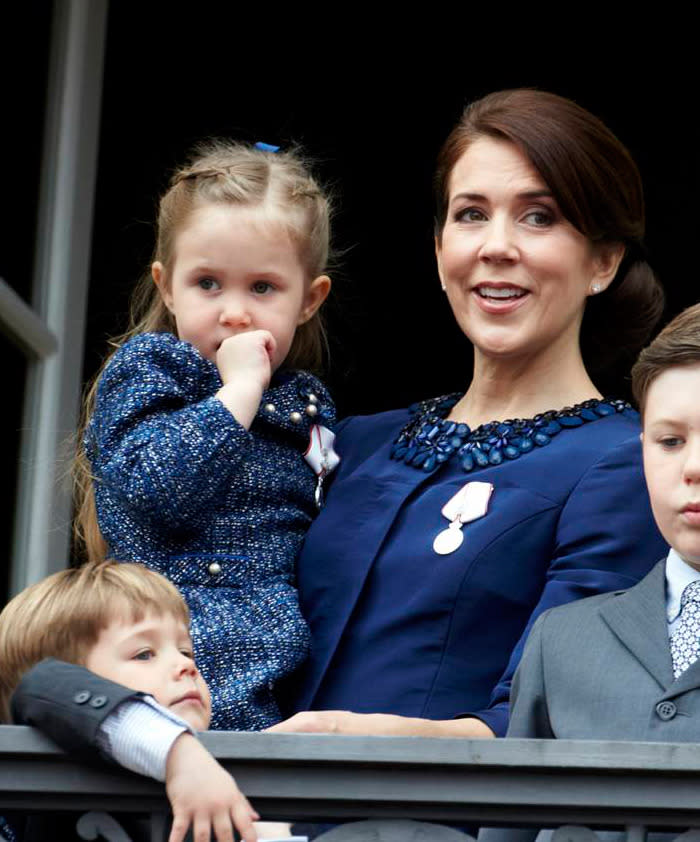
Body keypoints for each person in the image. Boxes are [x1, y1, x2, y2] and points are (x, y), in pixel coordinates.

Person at [10, 89, 670, 799]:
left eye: (539, 217)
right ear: (441, 244)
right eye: (470, 214)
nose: (495, 245)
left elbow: (559, 718)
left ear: (602, 262)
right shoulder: (346, 439)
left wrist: (356, 742)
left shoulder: (626, 461)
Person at [72, 140, 334, 732]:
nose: (235, 312)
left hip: (278, 662)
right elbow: (157, 487)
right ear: (167, 287)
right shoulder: (151, 369)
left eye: (263, 288)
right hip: (163, 658)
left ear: (308, 300)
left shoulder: (306, 404)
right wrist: (235, 394)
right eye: (208, 283)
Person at [498, 302, 700, 744]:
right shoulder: (559, 641)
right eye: (670, 441)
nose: (694, 466)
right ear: (642, 449)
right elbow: (516, 811)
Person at [0, 562, 258, 842]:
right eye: (145, 654)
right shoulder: (45, 695)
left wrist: (270, 757)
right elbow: (42, 682)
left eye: (186, 650)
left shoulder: (209, 781)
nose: (185, 664)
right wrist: (180, 755)